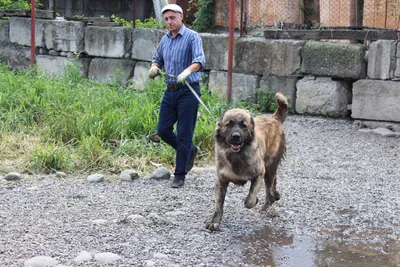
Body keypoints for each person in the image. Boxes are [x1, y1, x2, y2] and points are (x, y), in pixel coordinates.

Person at [148, 4, 206, 188]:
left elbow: (199, 60)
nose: (169, 22)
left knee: (184, 133)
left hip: (188, 91)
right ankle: (190, 151)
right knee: (163, 130)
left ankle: (179, 174)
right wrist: (155, 67)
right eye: (166, 19)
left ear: (181, 17)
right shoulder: (165, 40)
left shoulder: (192, 37)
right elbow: (158, 58)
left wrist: (187, 71)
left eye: (172, 18)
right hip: (170, 90)